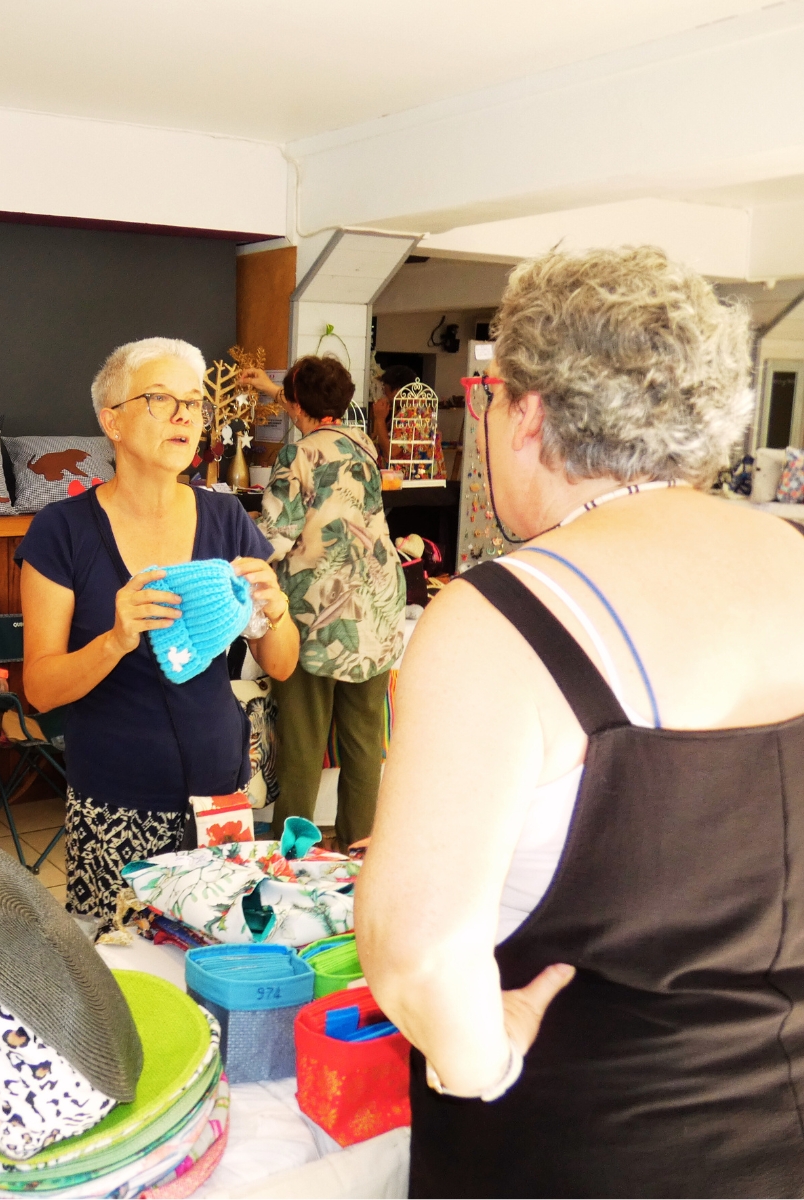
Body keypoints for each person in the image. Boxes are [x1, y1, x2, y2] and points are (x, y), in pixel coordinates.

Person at [356, 246, 804, 1196]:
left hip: (581, 1149)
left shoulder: (500, 618)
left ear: (526, 411)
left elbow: (419, 954)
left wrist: (482, 1061)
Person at [17, 337, 299, 917]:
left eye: (193, 403)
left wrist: (276, 613)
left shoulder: (226, 518)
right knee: (118, 961)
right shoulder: (62, 531)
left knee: (217, 952)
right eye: (161, 399)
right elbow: (40, 689)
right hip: (115, 804)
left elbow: (282, 663)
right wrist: (115, 640)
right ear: (112, 422)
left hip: (221, 796)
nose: (184, 415)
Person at [239, 357, 406, 849]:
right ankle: (358, 855)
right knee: (363, 744)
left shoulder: (298, 455)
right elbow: (312, 409)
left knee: (303, 744)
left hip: (318, 613)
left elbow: (273, 537)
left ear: (295, 404)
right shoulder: (363, 443)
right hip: (376, 610)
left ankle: (291, 859)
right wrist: (276, 389)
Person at [370, 364, 418, 466]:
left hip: (413, 473)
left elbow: (391, 452)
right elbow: (377, 439)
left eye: (385, 386)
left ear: (397, 389)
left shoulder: (411, 414)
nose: (383, 391)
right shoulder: (409, 409)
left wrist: (380, 419)